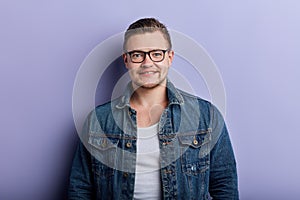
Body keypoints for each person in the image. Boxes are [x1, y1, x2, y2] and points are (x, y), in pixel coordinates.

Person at [68, 18, 239, 200]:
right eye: (137, 55)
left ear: (169, 58)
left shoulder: (206, 116)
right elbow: (80, 189)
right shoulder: (98, 120)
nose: (147, 63)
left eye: (156, 54)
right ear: (126, 60)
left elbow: (225, 187)